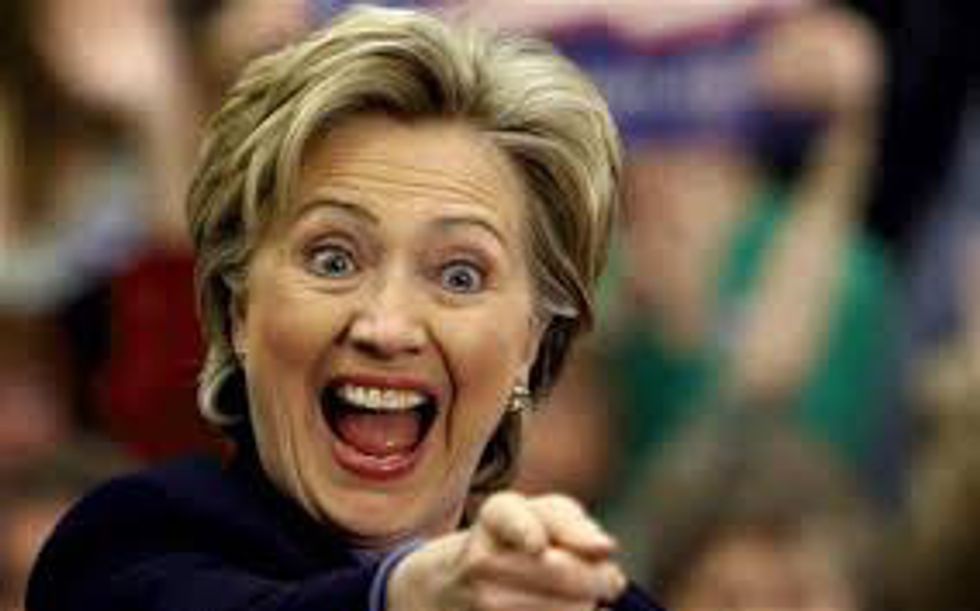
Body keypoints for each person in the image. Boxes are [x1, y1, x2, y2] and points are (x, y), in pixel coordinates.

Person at [27, 6, 662, 611]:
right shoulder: (123, 548)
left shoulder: (588, 602)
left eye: (460, 275)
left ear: (531, 340)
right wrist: (407, 597)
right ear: (239, 306)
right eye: (333, 260)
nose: (386, 326)